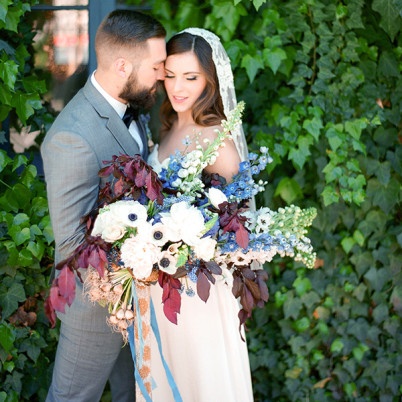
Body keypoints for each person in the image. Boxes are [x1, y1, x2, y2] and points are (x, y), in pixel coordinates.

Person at [41, 10, 166, 401]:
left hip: (137, 301)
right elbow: (72, 247)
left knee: (135, 395)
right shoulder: (72, 138)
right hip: (95, 309)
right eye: (157, 66)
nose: (163, 75)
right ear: (123, 65)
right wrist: (134, 269)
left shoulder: (133, 103)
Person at [148, 28, 254, 402]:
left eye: (190, 78)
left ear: (209, 79)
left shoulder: (216, 139)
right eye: (170, 75)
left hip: (199, 293)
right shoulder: (167, 126)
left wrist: (191, 242)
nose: (177, 88)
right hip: (158, 288)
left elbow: (240, 225)